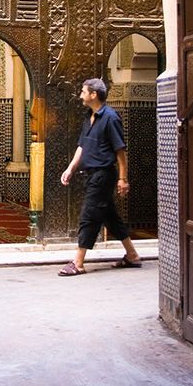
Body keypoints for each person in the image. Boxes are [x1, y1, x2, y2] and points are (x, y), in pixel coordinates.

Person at [58, 78, 142, 276]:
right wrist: (70, 168)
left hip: (103, 175)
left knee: (89, 215)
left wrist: (123, 179)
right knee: (110, 217)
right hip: (93, 174)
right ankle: (132, 255)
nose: (80, 95)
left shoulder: (110, 118)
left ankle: (78, 262)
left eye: (83, 91)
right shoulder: (90, 116)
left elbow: (120, 151)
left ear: (93, 95)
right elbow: (82, 146)